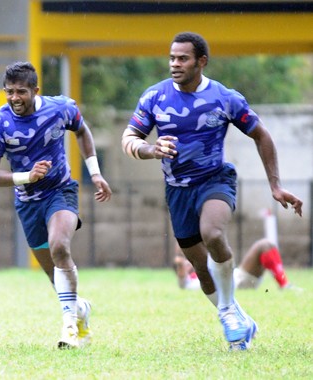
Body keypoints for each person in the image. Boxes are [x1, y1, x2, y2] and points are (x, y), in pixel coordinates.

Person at [122, 31, 303, 350]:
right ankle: (237, 317)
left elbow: (262, 135)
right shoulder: (154, 96)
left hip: (215, 180)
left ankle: (229, 314)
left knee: (213, 233)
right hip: (177, 190)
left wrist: (275, 186)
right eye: (171, 58)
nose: (174, 64)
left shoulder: (225, 97)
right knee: (201, 269)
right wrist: (151, 149)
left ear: (201, 62)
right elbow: (129, 138)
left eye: (182, 58)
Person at [0, 61, 112, 349]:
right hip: (27, 203)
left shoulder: (60, 108)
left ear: (35, 90)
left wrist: (96, 173)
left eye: (21, 92)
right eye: (9, 92)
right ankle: (79, 309)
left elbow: (82, 130)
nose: (15, 98)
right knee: (54, 274)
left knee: (60, 247)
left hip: (60, 191)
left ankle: (69, 329)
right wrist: (28, 176)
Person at [175, 238, 295, 291]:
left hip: (238, 277)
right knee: (264, 245)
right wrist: (181, 263)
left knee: (267, 245)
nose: (187, 262)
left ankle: (283, 283)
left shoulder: (204, 269)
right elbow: (182, 283)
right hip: (239, 283)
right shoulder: (190, 282)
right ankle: (284, 285)